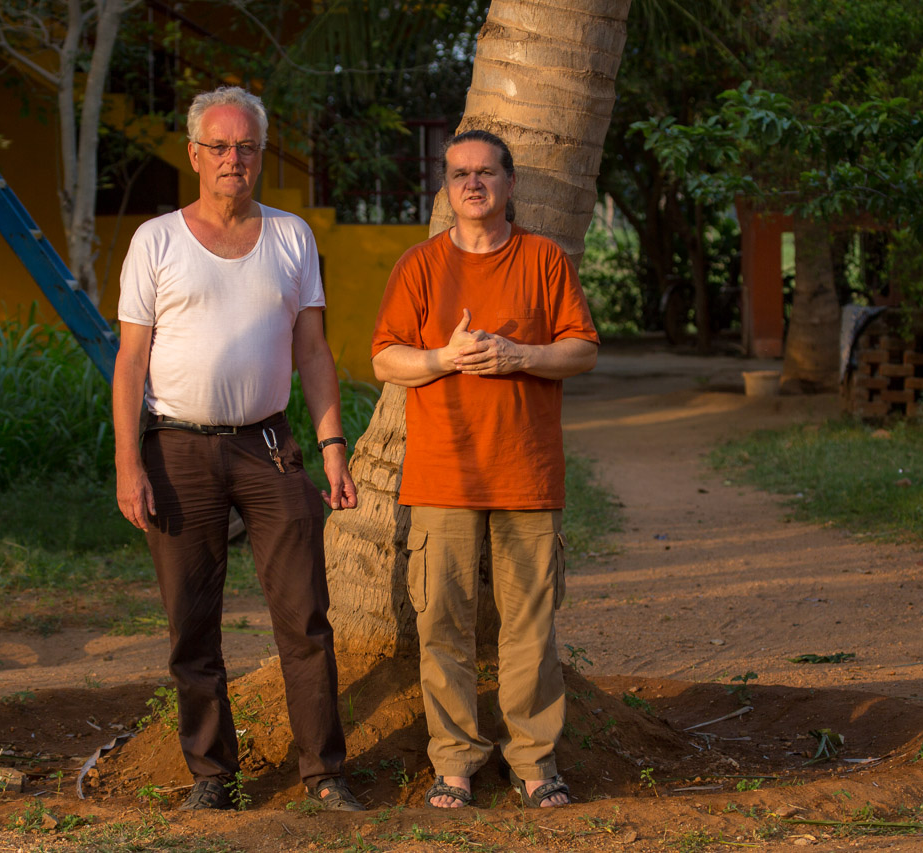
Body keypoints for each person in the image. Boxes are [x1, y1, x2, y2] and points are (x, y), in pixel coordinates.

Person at [113, 86, 363, 811]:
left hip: (269, 445)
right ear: (194, 155)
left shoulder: (291, 237)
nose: (234, 159)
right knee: (191, 623)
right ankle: (212, 776)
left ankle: (324, 772)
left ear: (260, 155)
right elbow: (130, 362)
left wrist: (333, 446)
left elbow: (312, 351)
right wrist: (129, 463)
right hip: (176, 448)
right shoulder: (156, 240)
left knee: (305, 615)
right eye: (219, 146)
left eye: (246, 147)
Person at [371, 130, 599, 809]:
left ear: (510, 182)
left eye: (486, 172)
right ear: (446, 187)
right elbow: (384, 358)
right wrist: (444, 358)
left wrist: (518, 355)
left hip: (527, 473)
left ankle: (534, 761)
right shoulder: (419, 266)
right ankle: (455, 763)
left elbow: (583, 349)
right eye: (459, 174)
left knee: (530, 626)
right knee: (443, 623)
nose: (472, 183)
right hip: (443, 475)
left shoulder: (543, 259)